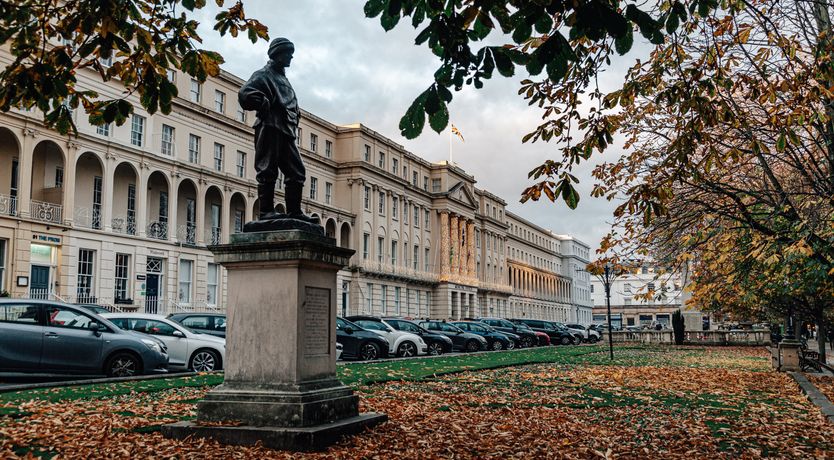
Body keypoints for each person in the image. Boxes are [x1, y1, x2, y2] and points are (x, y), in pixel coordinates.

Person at [238, 37, 317, 225]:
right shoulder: (264, 74)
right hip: (270, 127)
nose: (291, 57)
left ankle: (294, 211)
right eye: (288, 53)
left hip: (286, 130)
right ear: (277, 54)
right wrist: (263, 102)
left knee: (297, 172)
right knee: (267, 169)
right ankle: (266, 212)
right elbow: (244, 94)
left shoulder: (283, 78)